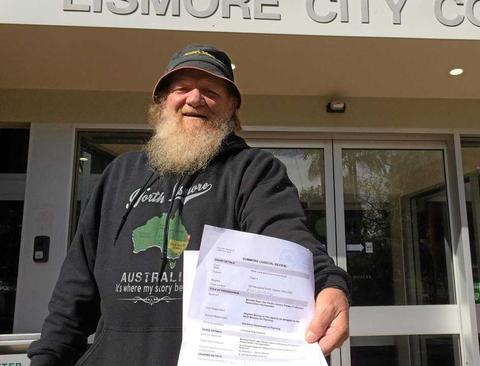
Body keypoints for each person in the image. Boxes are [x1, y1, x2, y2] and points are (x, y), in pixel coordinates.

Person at [27, 44, 351, 366]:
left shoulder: (253, 171)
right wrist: (48, 358)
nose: (195, 99)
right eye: (182, 88)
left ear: (232, 107)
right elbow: (75, 287)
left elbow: (285, 234)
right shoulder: (119, 173)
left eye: (210, 90)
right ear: (162, 101)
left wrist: (327, 282)